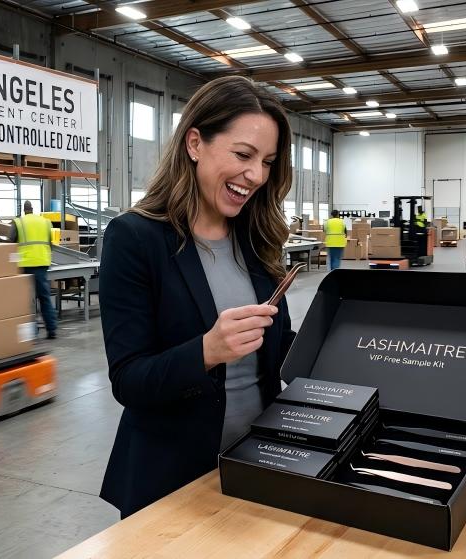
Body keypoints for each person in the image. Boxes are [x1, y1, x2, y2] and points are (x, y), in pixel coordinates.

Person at [99, 76, 296, 518]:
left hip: (256, 466)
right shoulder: (135, 238)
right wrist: (206, 351)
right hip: (173, 479)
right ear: (194, 143)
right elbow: (129, 379)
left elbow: (274, 342)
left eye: (267, 162)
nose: (256, 175)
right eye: (243, 155)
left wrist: (335, 343)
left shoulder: (257, 238)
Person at [9, 201, 57, 339]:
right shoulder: (45, 222)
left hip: (25, 264)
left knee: (27, 299)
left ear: (24, 210)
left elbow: (9, 243)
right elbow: (50, 243)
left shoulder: (18, 222)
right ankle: (51, 329)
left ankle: (32, 332)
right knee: (44, 297)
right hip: (42, 262)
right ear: (32, 209)